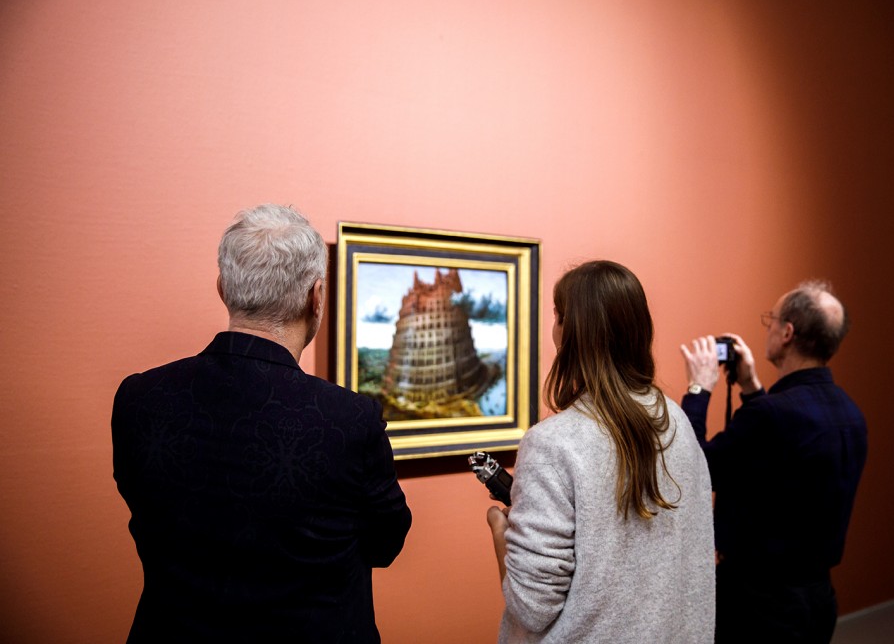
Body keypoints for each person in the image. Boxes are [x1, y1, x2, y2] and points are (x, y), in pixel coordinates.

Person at [112, 204, 412, 644]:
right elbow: (386, 543)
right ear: (317, 297)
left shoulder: (139, 398)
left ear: (222, 289)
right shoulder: (350, 419)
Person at [486, 260, 715, 643]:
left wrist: (500, 530)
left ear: (570, 332)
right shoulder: (675, 419)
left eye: (558, 315)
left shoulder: (552, 443)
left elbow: (532, 607)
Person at [680, 280, 867, 644]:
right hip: (817, 600)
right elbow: (777, 459)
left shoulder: (771, 416)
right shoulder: (851, 413)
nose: (769, 327)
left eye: (772, 320)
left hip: (758, 606)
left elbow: (695, 469)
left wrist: (699, 389)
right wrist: (751, 388)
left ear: (787, 333)